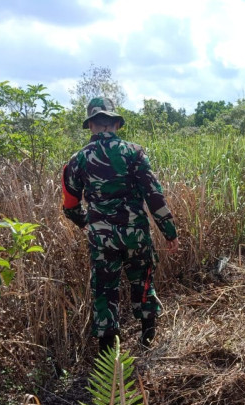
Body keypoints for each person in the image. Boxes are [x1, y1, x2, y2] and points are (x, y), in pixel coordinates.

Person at [61, 97, 179, 353]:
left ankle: (108, 356)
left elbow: (69, 206)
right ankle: (147, 341)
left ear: (91, 124)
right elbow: (154, 195)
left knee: (104, 290)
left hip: (101, 239)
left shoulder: (77, 159)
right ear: (115, 123)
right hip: (136, 235)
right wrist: (169, 231)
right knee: (143, 282)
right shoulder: (134, 152)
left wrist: (88, 224)